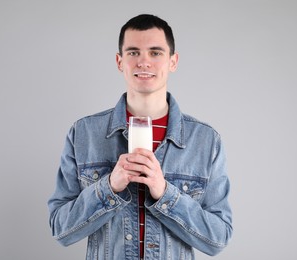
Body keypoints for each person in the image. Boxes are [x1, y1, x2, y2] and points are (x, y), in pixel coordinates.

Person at [48, 14, 232, 259]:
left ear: (173, 61)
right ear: (119, 61)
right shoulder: (83, 134)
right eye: (134, 52)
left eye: (155, 53)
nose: (144, 62)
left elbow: (218, 239)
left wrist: (165, 193)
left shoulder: (206, 141)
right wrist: (109, 187)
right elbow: (61, 230)